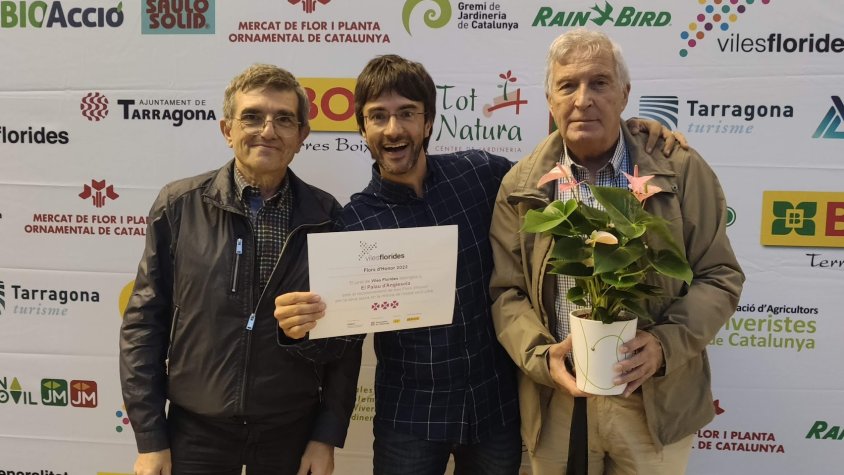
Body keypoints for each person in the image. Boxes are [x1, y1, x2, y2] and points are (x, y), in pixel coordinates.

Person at [274, 54, 683, 475]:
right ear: (362, 128)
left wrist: (629, 132)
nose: (394, 129)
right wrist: (301, 330)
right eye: (378, 117)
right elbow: (340, 345)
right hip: (410, 421)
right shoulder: (353, 222)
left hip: (494, 410)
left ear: (429, 122)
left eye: (407, 114)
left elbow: (555, 166)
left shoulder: (480, 174)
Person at [489, 29, 745, 475]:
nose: (583, 99)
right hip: (559, 403)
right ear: (549, 100)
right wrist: (541, 358)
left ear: (625, 95)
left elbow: (720, 275)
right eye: (567, 85)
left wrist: (664, 345)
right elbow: (507, 292)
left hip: (652, 404)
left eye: (600, 83)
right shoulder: (522, 185)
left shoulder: (679, 169)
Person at [120, 64, 362, 475]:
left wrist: (325, 436)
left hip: (291, 432)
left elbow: (344, 343)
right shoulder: (177, 206)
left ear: (302, 136)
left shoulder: (328, 217)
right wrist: (150, 438)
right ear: (227, 129)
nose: (267, 130)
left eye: (284, 119)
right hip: (194, 433)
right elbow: (144, 326)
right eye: (252, 116)